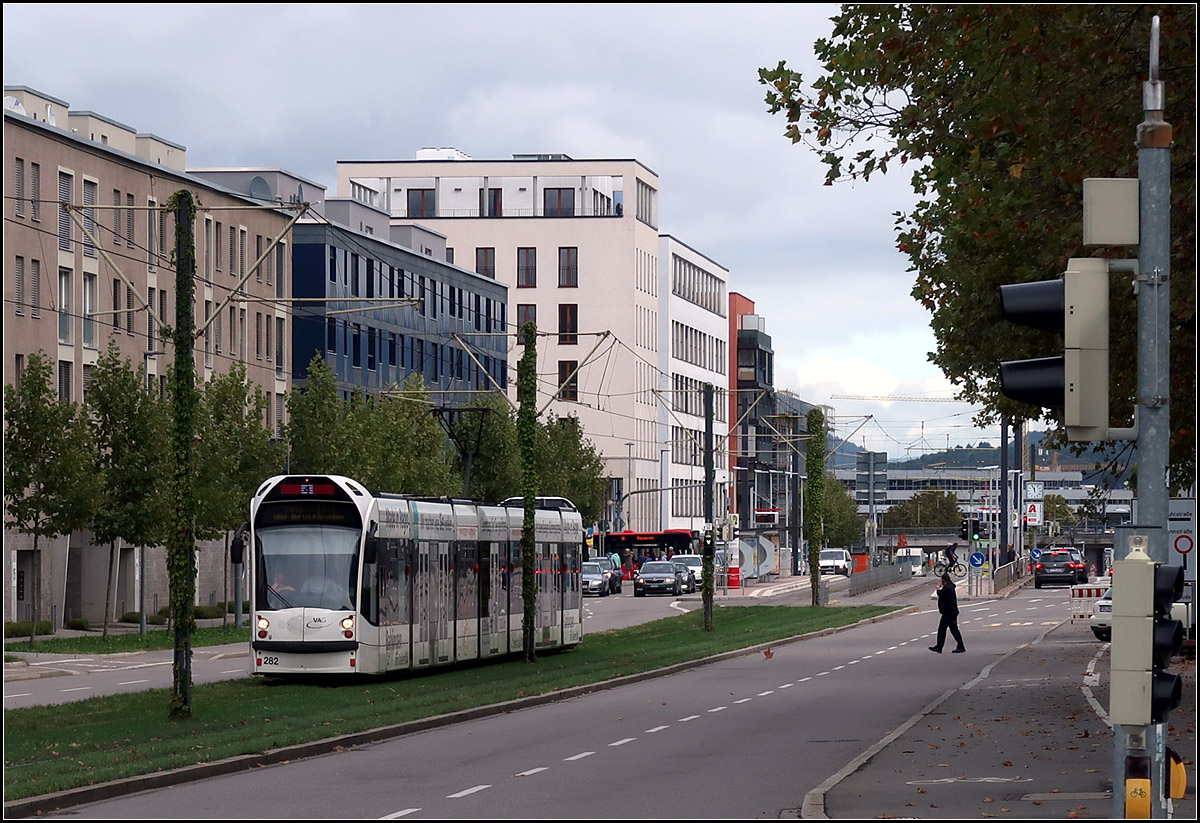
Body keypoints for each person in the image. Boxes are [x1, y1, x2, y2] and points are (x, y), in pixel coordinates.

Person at [929, 572, 966, 654]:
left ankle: (961, 646)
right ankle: (939, 647)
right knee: (942, 630)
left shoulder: (948, 588)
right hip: (947, 612)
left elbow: (941, 594)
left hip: (949, 613)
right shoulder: (949, 587)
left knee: (954, 630)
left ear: (943, 580)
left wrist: (938, 588)